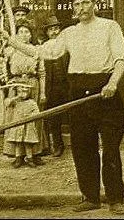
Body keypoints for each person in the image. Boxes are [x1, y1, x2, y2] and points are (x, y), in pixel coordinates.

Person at [0, 0, 124, 215]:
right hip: (78, 91)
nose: (81, 8)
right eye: (76, 5)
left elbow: (121, 59)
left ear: (94, 4)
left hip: (106, 92)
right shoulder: (69, 33)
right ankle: (90, 197)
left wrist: (112, 83)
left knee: (110, 149)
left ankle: (115, 199)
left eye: (85, 3)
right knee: (82, 147)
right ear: (73, 9)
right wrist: (11, 42)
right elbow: (44, 52)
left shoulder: (110, 27)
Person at [1, 19, 48, 164]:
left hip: (32, 84)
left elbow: (42, 73)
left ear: (30, 35)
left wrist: (42, 93)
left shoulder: (36, 50)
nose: (23, 34)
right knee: (14, 119)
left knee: (34, 120)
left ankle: (35, 153)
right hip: (16, 85)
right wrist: (7, 80)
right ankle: (17, 155)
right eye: (20, 31)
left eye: (26, 32)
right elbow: (4, 66)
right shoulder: (10, 51)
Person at [42, 15, 69, 158]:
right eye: (51, 29)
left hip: (67, 86)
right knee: (54, 119)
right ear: (47, 32)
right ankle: (58, 146)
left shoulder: (66, 45)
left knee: (74, 115)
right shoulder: (44, 48)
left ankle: (78, 144)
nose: (54, 32)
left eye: (56, 28)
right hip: (51, 88)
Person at [4, 78, 45, 168]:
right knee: (18, 143)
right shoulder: (16, 102)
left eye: (25, 92)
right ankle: (18, 158)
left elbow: (37, 113)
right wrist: (16, 97)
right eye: (20, 92)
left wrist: (31, 116)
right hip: (18, 126)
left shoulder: (32, 103)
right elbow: (7, 103)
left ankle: (30, 159)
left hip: (28, 126)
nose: (22, 95)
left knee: (28, 143)